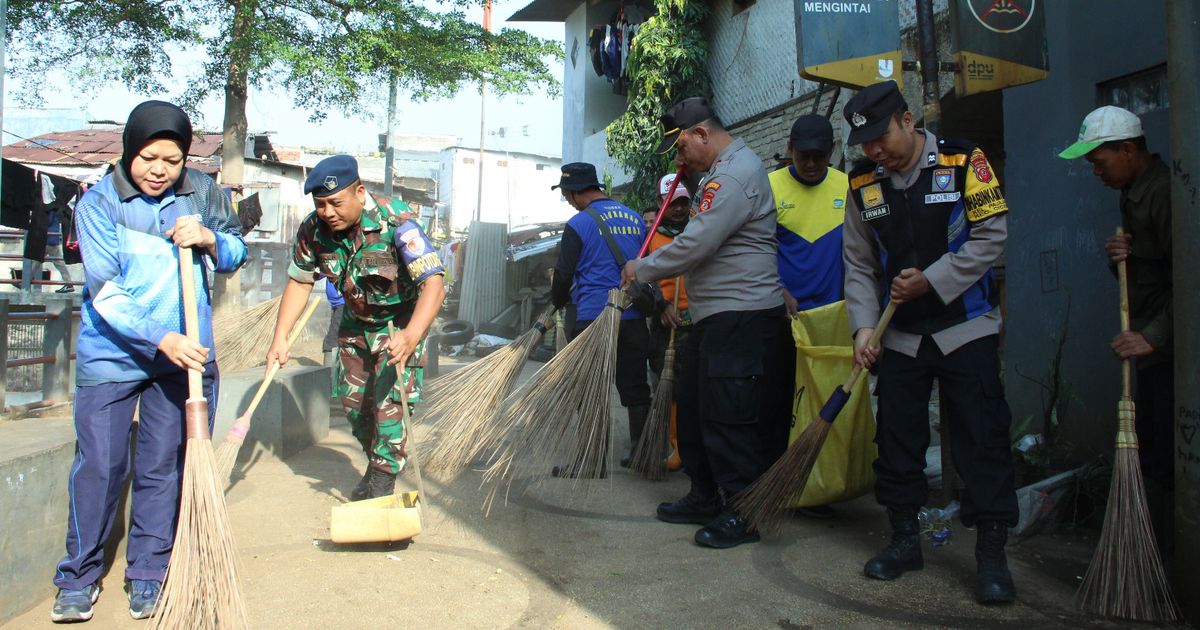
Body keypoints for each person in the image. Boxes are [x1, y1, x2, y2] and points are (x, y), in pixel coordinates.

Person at [51, 100, 248, 623]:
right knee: (101, 465)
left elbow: (236, 249)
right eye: (147, 157)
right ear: (128, 150)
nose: (159, 170)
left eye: (172, 159)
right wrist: (162, 337)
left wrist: (209, 238)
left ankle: (148, 573)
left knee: (161, 468)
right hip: (115, 353)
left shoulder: (202, 193)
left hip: (182, 359)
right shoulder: (98, 204)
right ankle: (78, 576)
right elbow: (105, 291)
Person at [840, 81, 1017, 603]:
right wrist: (864, 330)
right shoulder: (862, 186)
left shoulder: (965, 161)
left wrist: (933, 280)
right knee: (896, 442)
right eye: (865, 143)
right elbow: (858, 263)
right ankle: (902, 541)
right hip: (901, 339)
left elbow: (992, 236)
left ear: (908, 121)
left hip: (967, 327)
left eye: (881, 136)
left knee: (981, 439)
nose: (875, 150)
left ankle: (991, 556)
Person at [621, 97, 792, 549]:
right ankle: (704, 492)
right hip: (713, 317)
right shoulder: (714, 175)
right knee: (694, 405)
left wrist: (645, 268)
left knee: (730, 415)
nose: (680, 160)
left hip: (745, 317)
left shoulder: (735, 174)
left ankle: (743, 508)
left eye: (680, 148)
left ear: (702, 133)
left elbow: (697, 244)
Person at [267, 156, 445, 501]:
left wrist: (411, 336)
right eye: (320, 204)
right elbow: (301, 281)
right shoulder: (313, 231)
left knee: (390, 404)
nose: (327, 212)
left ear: (359, 192)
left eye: (335, 203)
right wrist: (280, 337)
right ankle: (378, 462)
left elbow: (433, 284)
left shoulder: (397, 222)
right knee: (355, 408)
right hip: (355, 323)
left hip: (399, 323)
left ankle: (382, 483)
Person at [1058, 105, 1174, 555]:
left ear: (1128, 150)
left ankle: (1168, 559)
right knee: (1155, 451)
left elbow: (1187, 276)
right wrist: (1118, 258)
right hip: (1153, 344)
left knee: (1165, 456)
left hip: (1169, 348)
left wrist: (1153, 335)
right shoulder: (1132, 192)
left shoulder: (1162, 193)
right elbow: (1147, 274)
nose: (1096, 173)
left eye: (1099, 162)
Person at [769, 114, 850, 519]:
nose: (813, 163)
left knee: (823, 401)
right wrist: (777, 290)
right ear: (790, 151)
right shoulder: (769, 188)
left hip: (832, 318)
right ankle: (779, 479)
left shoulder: (846, 186)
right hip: (785, 316)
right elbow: (756, 247)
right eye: (805, 156)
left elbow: (860, 251)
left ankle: (819, 484)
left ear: (832, 152)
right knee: (784, 399)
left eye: (820, 156)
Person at [549, 162, 652, 472]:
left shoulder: (578, 224)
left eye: (566, 194)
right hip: (632, 316)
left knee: (591, 386)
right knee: (636, 387)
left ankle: (591, 460)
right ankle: (642, 454)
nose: (567, 200)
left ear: (573, 192)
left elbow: (564, 274)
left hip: (594, 315)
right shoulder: (635, 218)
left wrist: (557, 301)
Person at [645, 173, 694, 471]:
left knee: (693, 387)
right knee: (668, 388)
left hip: (697, 320)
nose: (678, 209)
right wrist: (660, 305)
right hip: (664, 323)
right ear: (662, 202)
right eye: (672, 203)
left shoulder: (699, 230)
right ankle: (674, 446)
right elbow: (641, 281)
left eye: (683, 203)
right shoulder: (650, 237)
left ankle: (692, 446)